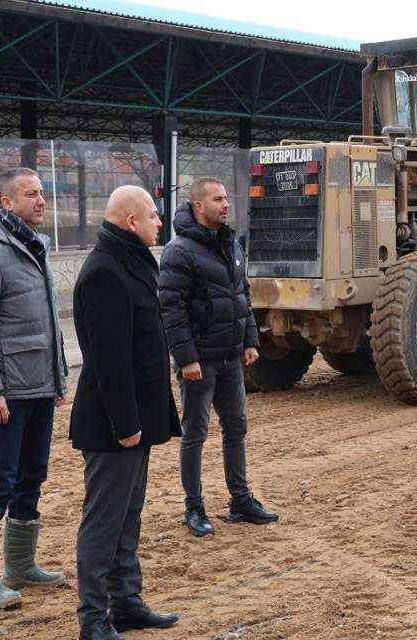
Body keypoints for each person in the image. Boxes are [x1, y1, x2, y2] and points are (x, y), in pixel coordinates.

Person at [71, 185, 180, 640]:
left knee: (128, 515)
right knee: (104, 521)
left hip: (137, 420)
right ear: (131, 221)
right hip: (116, 424)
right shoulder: (105, 272)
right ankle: (93, 619)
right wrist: (127, 424)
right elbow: (108, 361)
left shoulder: (131, 263)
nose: (161, 222)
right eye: (154, 216)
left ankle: (127, 603)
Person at [0, 169, 68, 611]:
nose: (41, 200)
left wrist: (58, 378)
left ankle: (20, 565)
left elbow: (50, 322)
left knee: (32, 475)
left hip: (40, 387)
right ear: (7, 202)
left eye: (42, 193)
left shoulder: (35, 244)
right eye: (31, 194)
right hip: (9, 392)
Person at [158, 177, 277, 538]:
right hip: (200, 363)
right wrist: (186, 357)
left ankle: (240, 500)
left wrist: (250, 340)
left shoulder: (231, 243)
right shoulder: (180, 251)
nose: (225, 204)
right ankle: (194, 507)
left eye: (226, 197)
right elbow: (171, 309)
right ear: (198, 206)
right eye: (217, 199)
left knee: (236, 428)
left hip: (230, 357)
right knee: (195, 431)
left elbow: (242, 294)